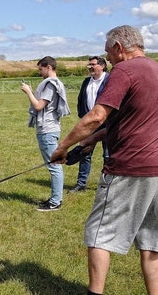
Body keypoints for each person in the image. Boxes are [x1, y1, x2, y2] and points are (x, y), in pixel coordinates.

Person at [51, 25, 158, 295]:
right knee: (152, 241)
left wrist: (63, 146)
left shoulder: (123, 70)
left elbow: (98, 114)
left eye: (108, 51)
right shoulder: (155, 69)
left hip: (128, 168)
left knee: (98, 234)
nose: (107, 58)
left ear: (120, 48)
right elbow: (137, 118)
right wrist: (97, 138)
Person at [21, 56, 70, 211]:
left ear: (48, 67)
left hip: (48, 129)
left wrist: (28, 91)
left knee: (54, 166)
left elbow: (38, 106)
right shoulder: (56, 83)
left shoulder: (50, 84)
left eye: (40, 69)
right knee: (53, 166)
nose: (39, 72)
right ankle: (55, 198)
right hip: (51, 128)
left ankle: (56, 202)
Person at [69, 56, 109, 193]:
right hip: (89, 124)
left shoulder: (110, 80)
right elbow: (81, 101)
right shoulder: (86, 82)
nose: (90, 67)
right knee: (85, 153)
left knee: (108, 156)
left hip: (107, 125)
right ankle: (81, 184)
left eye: (93, 64)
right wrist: (83, 118)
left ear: (102, 66)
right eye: (89, 65)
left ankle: (107, 184)